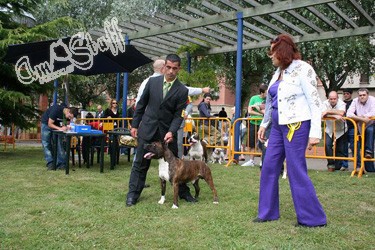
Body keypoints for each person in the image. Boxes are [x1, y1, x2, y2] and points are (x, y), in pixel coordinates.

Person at [254, 34, 327, 227]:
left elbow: (315, 102)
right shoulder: (277, 73)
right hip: (277, 127)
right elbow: (271, 101)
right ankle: (267, 213)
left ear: (283, 51)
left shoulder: (303, 69)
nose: (270, 55)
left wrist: (315, 133)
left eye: (273, 51)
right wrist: (264, 123)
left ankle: (313, 218)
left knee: (295, 169)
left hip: (297, 125)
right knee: (269, 167)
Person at [126, 54, 193, 207]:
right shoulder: (152, 82)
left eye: (174, 68)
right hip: (147, 130)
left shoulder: (182, 90)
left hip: (167, 134)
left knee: (177, 164)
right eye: (168, 67)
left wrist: (171, 131)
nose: (170, 71)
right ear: (164, 67)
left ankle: (183, 192)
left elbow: (179, 115)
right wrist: (135, 125)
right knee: (140, 163)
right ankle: (133, 195)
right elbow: (141, 105)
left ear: (178, 69)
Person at [346, 88, 375, 172]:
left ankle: (368, 152)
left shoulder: (373, 100)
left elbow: (373, 113)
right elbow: (349, 113)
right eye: (360, 95)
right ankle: (360, 167)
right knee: (355, 145)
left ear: (367, 95)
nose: (362, 97)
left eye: (364, 95)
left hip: (371, 125)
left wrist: (359, 117)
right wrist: (362, 118)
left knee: (370, 131)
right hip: (360, 126)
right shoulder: (355, 101)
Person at [41, 104, 76, 170]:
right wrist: (60, 129)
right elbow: (50, 124)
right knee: (46, 143)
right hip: (46, 123)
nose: (69, 118)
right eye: (70, 117)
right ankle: (50, 162)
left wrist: (66, 127)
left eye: (71, 118)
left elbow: (66, 124)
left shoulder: (67, 115)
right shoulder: (56, 110)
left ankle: (61, 163)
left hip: (56, 124)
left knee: (59, 143)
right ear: (68, 111)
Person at [242, 84, 267, 167]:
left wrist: (257, 108)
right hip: (253, 123)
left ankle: (262, 161)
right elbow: (249, 111)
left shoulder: (268, 99)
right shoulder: (254, 98)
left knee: (262, 143)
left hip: (263, 124)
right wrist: (260, 113)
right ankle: (251, 161)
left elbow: (266, 112)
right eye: (266, 92)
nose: (267, 94)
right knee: (251, 143)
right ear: (262, 93)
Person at [321, 91, 347, 172]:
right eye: (331, 99)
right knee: (327, 145)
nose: (332, 100)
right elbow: (322, 114)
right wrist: (334, 115)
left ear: (337, 98)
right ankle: (331, 164)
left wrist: (328, 111)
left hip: (341, 129)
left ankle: (338, 167)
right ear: (328, 99)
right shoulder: (324, 103)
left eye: (334, 99)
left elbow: (342, 112)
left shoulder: (342, 103)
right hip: (329, 129)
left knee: (340, 148)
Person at [342, 88, 354, 170]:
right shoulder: (341, 103)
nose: (346, 95)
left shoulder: (354, 102)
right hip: (343, 127)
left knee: (354, 146)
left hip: (352, 127)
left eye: (347, 93)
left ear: (350, 94)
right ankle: (344, 165)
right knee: (344, 147)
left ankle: (356, 164)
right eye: (344, 93)